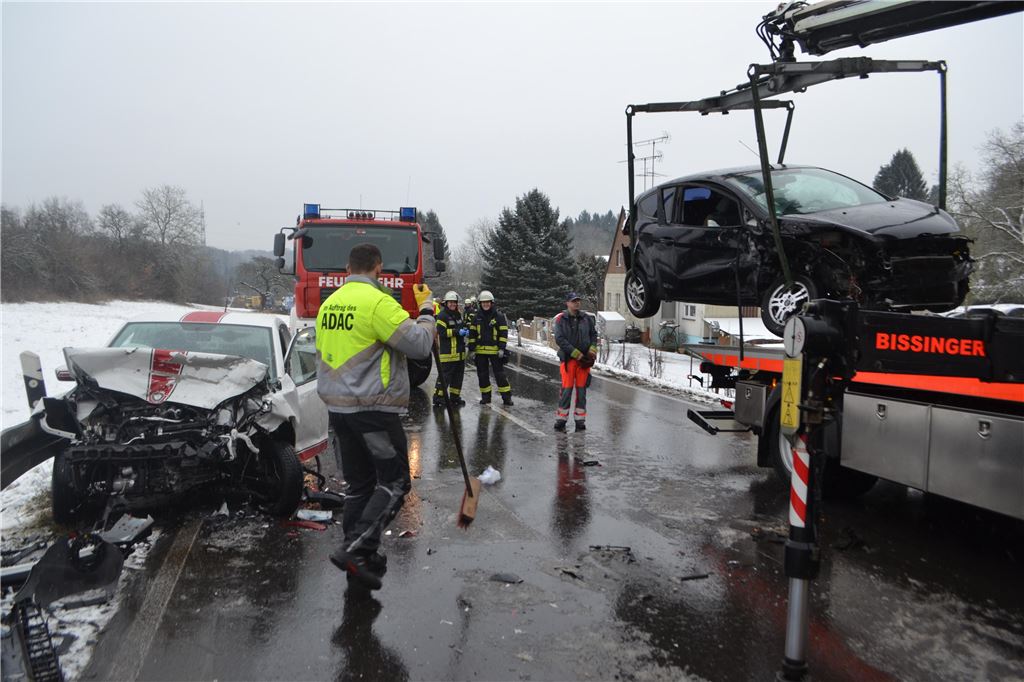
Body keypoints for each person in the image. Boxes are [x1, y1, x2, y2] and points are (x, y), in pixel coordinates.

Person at [315, 243, 436, 590]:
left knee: (360, 486)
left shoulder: (329, 305)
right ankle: (355, 549)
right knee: (395, 483)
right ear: (378, 268)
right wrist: (427, 311)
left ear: (347, 268)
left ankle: (361, 558)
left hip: (338, 411)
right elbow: (419, 345)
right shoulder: (377, 303)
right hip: (372, 411)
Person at [552, 292, 598, 431]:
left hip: (584, 362)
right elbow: (560, 339)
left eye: (578, 300)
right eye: (573, 301)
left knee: (581, 391)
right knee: (566, 390)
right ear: (567, 303)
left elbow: (593, 335)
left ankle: (580, 420)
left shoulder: (586, 318)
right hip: (569, 361)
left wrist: (592, 351)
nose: (577, 303)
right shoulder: (561, 319)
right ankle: (561, 419)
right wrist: (576, 354)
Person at [467, 290, 513, 406]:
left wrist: (502, 348)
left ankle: (507, 398)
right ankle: (486, 397)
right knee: (482, 376)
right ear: (480, 304)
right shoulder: (476, 317)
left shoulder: (499, 316)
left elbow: (503, 333)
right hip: (480, 352)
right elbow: (472, 335)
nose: (485, 304)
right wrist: (472, 349)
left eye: (487, 302)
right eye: (483, 302)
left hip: (495, 351)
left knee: (500, 376)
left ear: (491, 303)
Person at [434, 290, 470, 408]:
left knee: (458, 377)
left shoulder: (458, 315)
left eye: (454, 302)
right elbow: (442, 332)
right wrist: (457, 332)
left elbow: (461, 326)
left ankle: (455, 397)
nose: (453, 304)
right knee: (445, 377)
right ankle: (438, 397)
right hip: (448, 353)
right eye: (450, 302)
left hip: (459, 353)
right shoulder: (442, 316)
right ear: (446, 303)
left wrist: (465, 330)